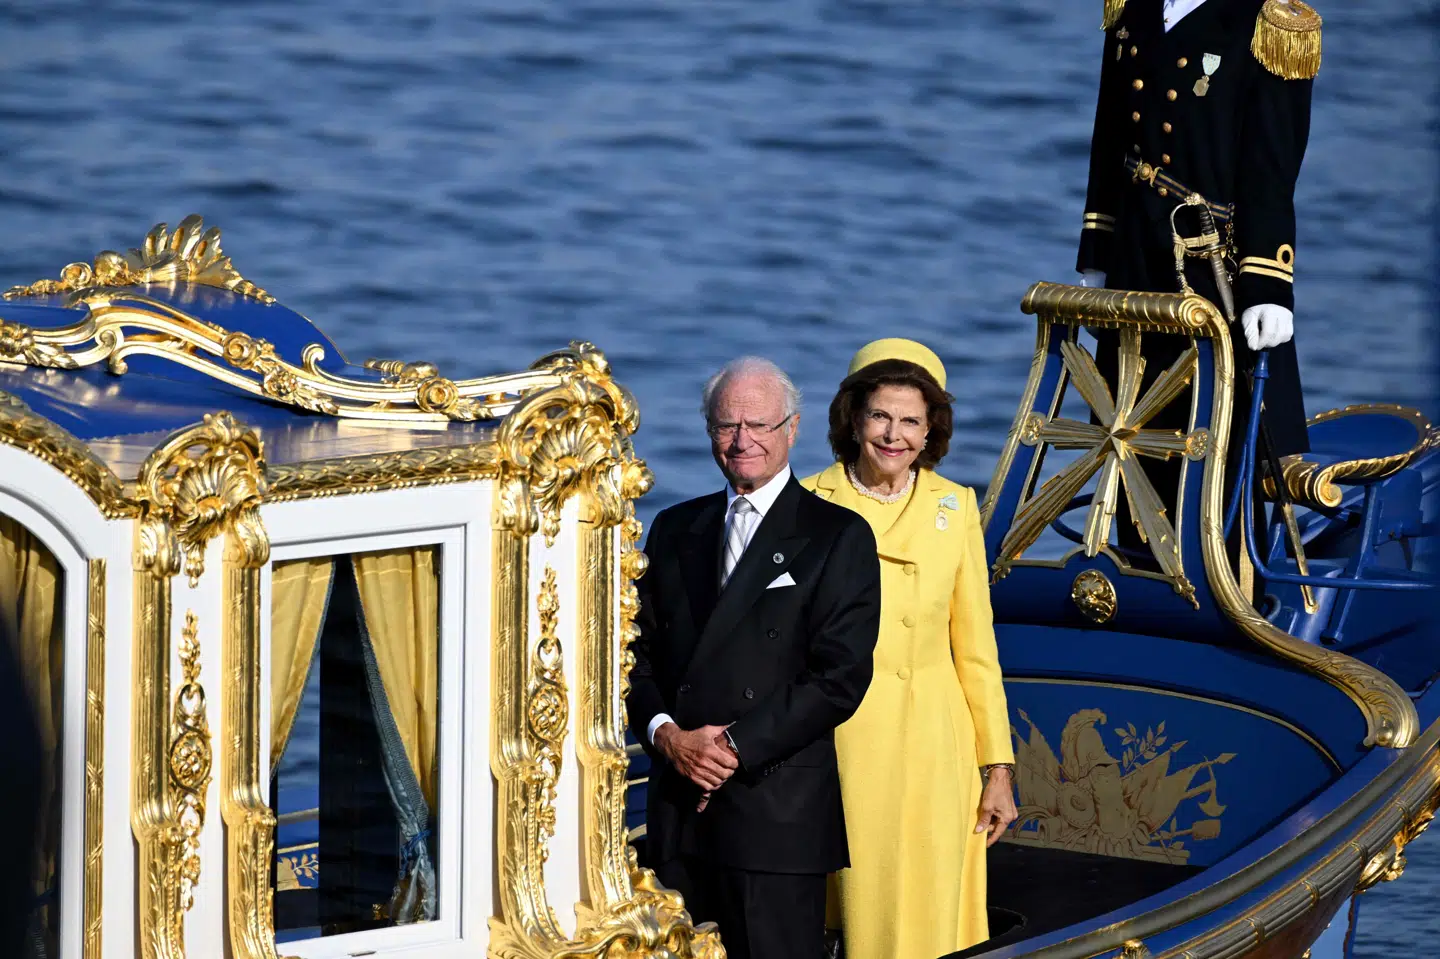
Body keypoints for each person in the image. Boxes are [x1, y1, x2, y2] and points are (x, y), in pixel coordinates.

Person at [627, 356, 882, 959]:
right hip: (678, 809)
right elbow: (631, 655)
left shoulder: (836, 535)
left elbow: (840, 677)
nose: (742, 441)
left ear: (791, 430)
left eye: (758, 426)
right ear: (708, 431)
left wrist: (731, 749)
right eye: (726, 426)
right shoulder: (672, 527)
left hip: (774, 814)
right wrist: (667, 737)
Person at [1075, 0, 1321, 560]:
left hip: (1214, 264)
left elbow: (1272, 169)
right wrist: (1097, 248)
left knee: (1219, 433)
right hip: (1137, 258)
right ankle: (1139, 570)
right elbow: (1108, 139)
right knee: (1132, 427)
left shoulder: (1268, 23)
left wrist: (1269, 282)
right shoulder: (1131, 9)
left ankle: (1230, 583)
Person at [801, 338, 1018, 959]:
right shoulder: (809, 502)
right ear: (852, 420)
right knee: (853, 906)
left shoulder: (956, 507)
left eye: (911, 421)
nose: (893, 435)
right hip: (840, 738)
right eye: (880, 416)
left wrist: (996, 770)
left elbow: (976, 652)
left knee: (930, 908)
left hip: (933, 746)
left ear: (930, 432)